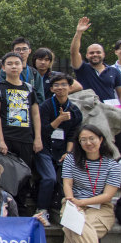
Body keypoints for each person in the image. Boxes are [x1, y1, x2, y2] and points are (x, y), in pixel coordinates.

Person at [58, 124, 120, 243]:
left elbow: (108, 195)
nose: (88, 143)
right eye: (83, 140)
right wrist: (72, 202)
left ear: (101, 139)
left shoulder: (112, 164)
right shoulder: (71, 159)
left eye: (92, 138)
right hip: (72, 203)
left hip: (101, 207)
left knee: (73, 229)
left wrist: (83, 202)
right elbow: (67, 184)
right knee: (75, 224)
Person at [0, 52, 43, 186]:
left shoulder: (29, 88)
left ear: (22, 66)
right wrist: (1, 140)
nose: (13, 67)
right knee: (5, 176)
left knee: (24, 174)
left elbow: (35, 114)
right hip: (7, 138)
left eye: (16, 63)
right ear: (3, 68)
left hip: (25, 138)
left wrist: (38, 138)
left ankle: (21, 205)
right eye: (9, 64)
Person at [37, 73, 83, 223]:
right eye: (56, 85)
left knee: (66, 179)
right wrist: (59, 120)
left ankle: (61, 209)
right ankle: (42, 210)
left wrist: (68, 153)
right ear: (51, 88)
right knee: (49, 178)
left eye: (64, 85)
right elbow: (43, 130)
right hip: (44, 148)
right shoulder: (45, 106)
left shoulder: (75, 111)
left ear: (70, 87)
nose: (60, 88)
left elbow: (72, 135)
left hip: (63, 150)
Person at [70, 17, 121, 110]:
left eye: (98, 52)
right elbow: (74, 52)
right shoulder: (82, 69)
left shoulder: (113, 71)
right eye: (91, 53)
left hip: (109, 110)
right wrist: (79, 33)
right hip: (89, 110)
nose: (95, 55)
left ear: (104, 54)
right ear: (87, 55)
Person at [0, 37, 45, 103]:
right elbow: (1, 91)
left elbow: (40, 96)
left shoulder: (34, 73)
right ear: (12, 51)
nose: (21, 52)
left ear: (29, 51)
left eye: (24, 49)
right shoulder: (5, 71)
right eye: (18, 49)